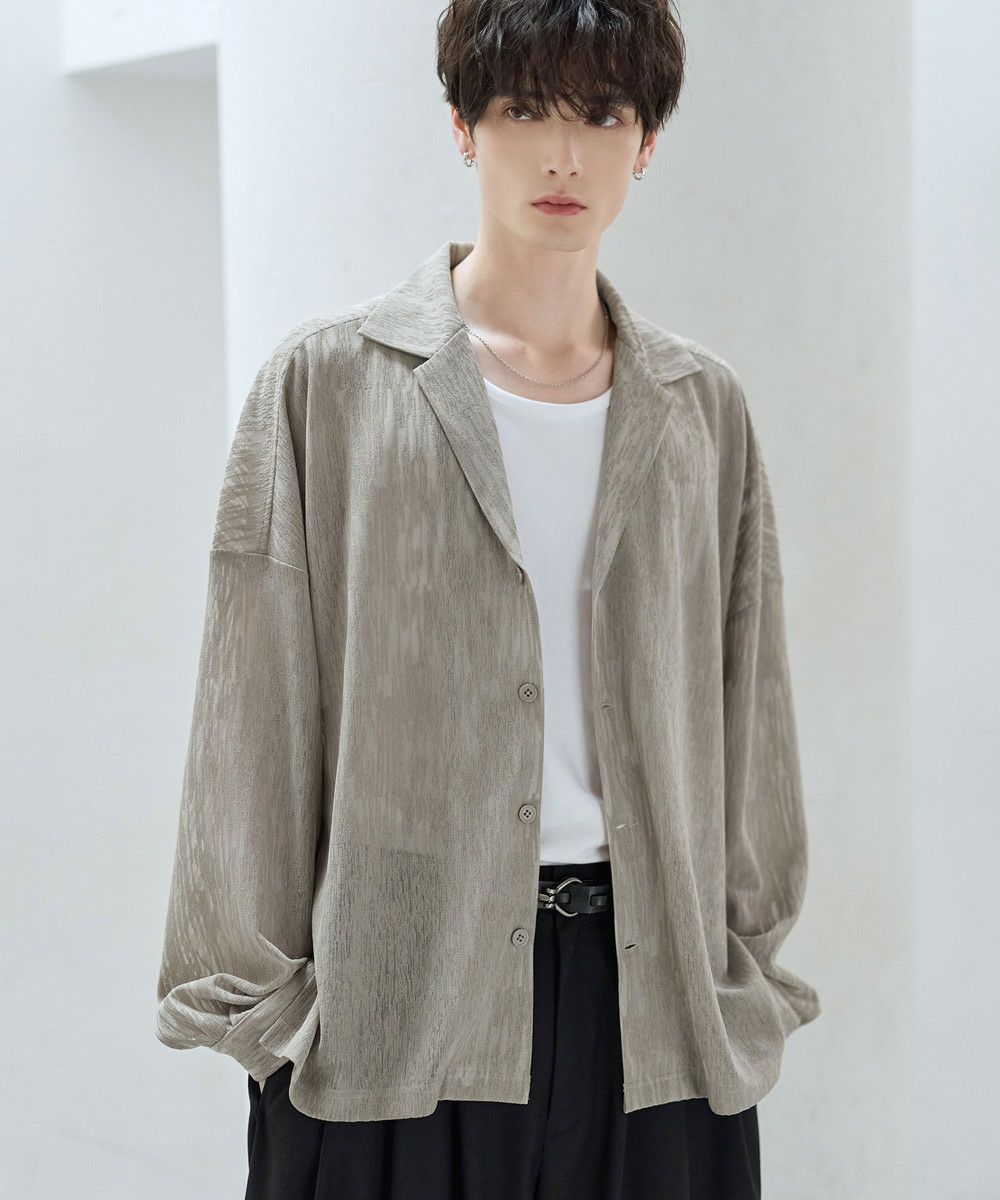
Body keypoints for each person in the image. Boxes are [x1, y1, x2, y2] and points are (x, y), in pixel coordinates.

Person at [155, 2, 821, 1196]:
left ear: (646, 140)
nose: (563, 155)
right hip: (395, 1002)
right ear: (464, 126)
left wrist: (744, 971)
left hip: (653, 1006)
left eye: (601, 114)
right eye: (523, 109)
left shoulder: (699, 409)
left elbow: (750, 705)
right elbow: (250, 711)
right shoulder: (328, 385)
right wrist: (268, 1018)